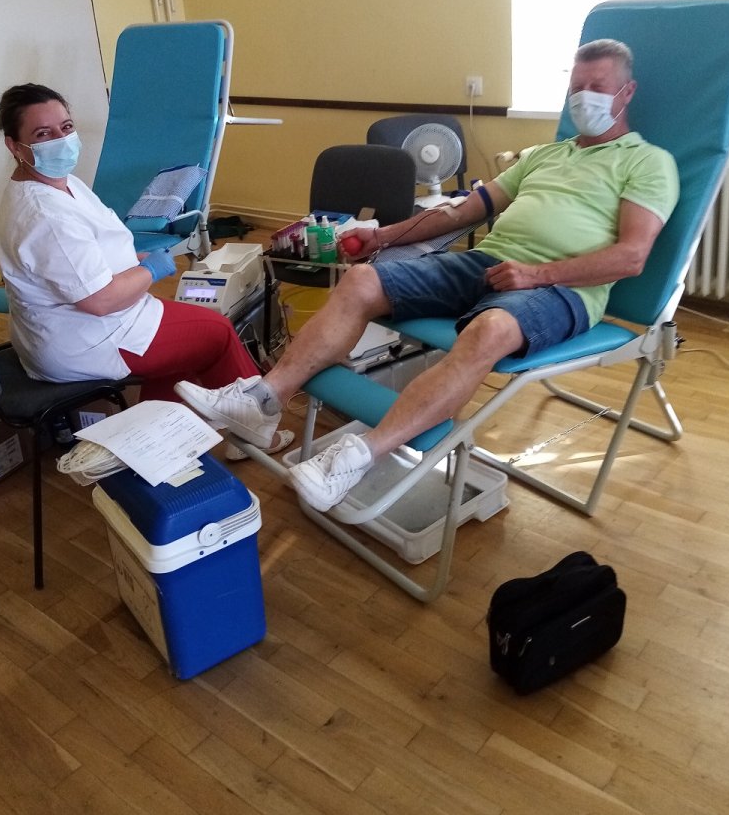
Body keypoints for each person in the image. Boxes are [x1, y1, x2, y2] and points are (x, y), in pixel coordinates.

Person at [176, 39, 680, 509]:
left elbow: (631, 257)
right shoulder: (545, 155)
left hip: (562, 289)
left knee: (489, 329)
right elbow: (463, 210)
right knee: (361, 280)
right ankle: (264, 402)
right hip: (487, 263)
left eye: (598, 87)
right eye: (577, 87)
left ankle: (360, 457)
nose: (584, 97)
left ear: (626, 92)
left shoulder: (648, 162)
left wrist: (535, 274)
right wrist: (381, 236)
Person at [0, 82, 294, 457]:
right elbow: (100, 301)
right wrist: (152, 269)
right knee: (216, 332)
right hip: (89, 338)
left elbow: (83, 254)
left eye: (65, 127)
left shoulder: (59, 184)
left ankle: (158, 443)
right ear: (14, 145)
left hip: (80, 326)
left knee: (189, 343)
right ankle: (255, 432)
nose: (61, 140)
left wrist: (131, 259)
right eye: (43, 134)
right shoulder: (45, 214)